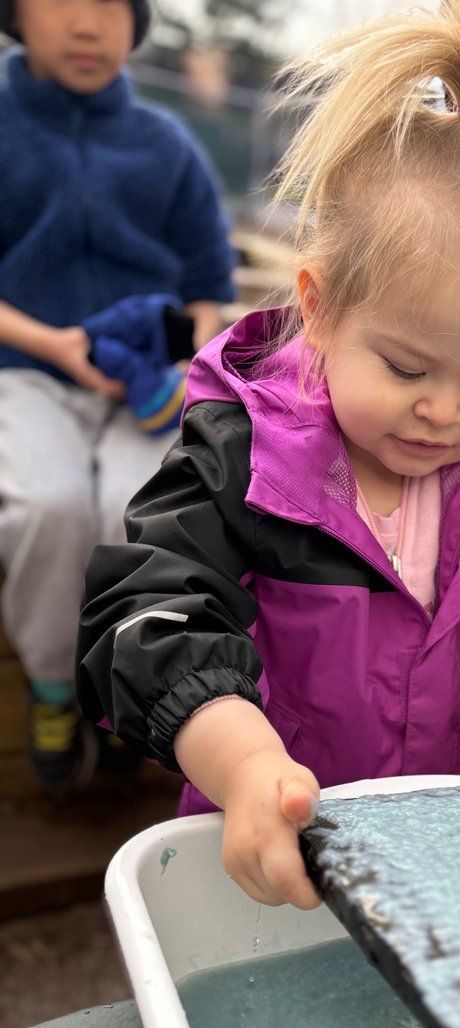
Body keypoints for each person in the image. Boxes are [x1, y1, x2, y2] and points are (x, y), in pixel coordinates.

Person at [77, 0, 460, 912]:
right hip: (267, 846)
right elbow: (149, 615)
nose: (443, 411)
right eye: (406, 366)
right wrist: (245, 766)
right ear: (319, 308)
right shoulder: (246, 457)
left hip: (429, 845)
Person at [0, 0, 235, 790]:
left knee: (133, 513)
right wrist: (52, 343)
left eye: (110, 4)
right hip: (23, 371)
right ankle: (55, 690)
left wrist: (178, 367)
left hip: (148, 389)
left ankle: (134, 690)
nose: (87, 23)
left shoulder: (166, 143)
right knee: (51, 507)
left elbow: (208, 288)